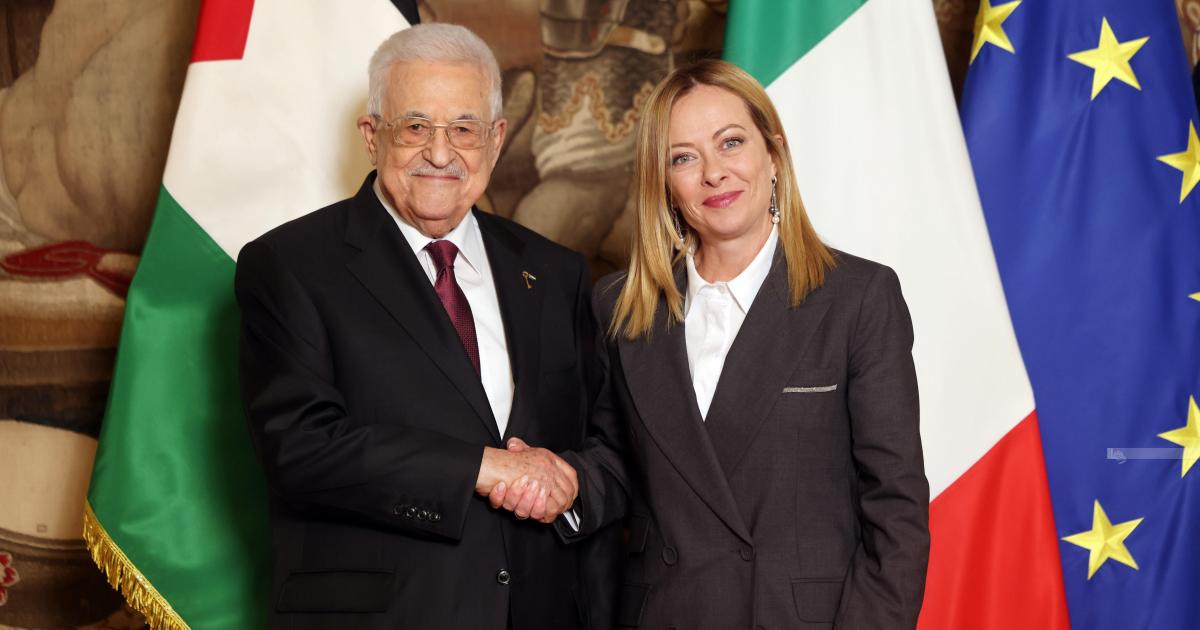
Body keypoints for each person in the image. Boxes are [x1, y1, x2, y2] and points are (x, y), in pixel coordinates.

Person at [495, 58, 930, 628]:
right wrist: (567, 482)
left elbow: (896, 507)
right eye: (684, 157)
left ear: (773, 154)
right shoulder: (621, 305)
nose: (713, 174)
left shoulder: (858, 297)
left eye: (731, 143)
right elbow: (623, 463)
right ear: (664, 183)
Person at [235, 24, 609, 630]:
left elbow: (604, 446)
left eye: (463, 129)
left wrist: (568, 485)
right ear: (372, 137)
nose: (440, 153)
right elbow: (299, 448)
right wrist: (483, 468)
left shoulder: (556, 272)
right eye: (415, 127)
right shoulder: (290, 265)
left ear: (495, 140)